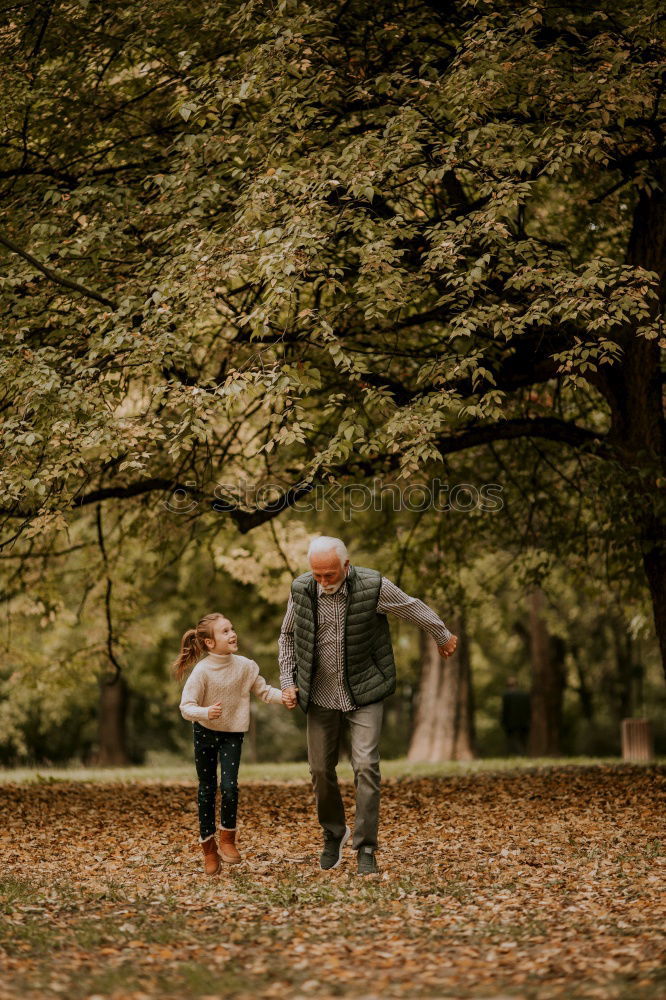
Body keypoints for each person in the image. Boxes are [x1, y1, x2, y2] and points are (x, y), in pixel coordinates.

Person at [279, 536, 458, 875]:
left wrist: (442, 634)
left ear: (346, 566)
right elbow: (287, 635)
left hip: (364, 690)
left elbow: (411, 606)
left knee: (365, 766)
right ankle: (334, 833)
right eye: (316, 574)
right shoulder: (302, 590)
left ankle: (366, 848)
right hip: (318, 692)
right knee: (319, 770)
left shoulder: (374, 586)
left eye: (329, 574)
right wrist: (288, 681)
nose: (323, 582)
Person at [174, 612, 289, 875]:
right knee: (207, 789)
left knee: (229, 786)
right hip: (204, 732)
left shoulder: (245, 666)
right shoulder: (202, 671)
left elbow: (263, 690)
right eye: (225, 631)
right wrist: (205, 713)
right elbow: (186, 707)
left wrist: (286, 698)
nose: (232, 633)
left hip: (232, 734)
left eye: (232, 628)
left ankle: (227, 840)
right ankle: (209, 849)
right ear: (210, 642)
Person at [500, 677, 531, 755]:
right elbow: (529, 709)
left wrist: (503, 721)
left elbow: (505, 710)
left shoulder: (506, 695)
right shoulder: (524, 695)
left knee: (513, 740)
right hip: (524, 722)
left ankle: (520, 754)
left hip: (512, 723)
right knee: (523, 739)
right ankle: (523, 753)